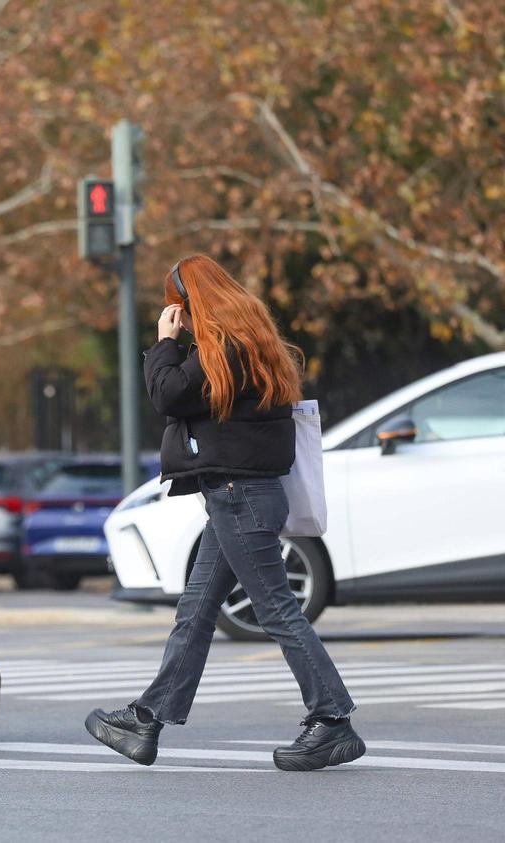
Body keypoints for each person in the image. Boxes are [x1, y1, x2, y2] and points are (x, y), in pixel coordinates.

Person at [84, 254, 365, 772]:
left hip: (240, 496)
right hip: (237, 495)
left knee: (277, 610)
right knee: (196, 612)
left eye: (178, 306)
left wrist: (166, 343)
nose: (178, 317)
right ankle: (147, 720)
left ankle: (332, 720)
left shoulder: (226, 349)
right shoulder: (247, 344)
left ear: (194, 302)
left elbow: (168, 394)